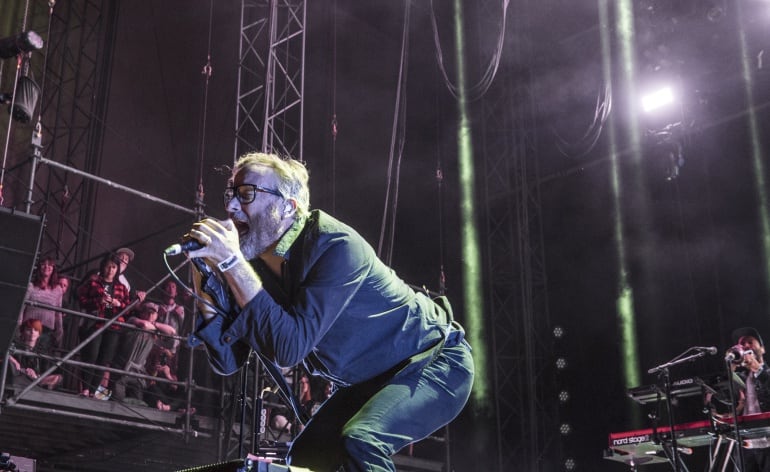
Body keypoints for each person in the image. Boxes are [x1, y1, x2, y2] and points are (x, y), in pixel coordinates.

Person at [185, 152, 474, 471]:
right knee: (306, 459)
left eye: (247, 194)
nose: (231, 207)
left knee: (362, 440)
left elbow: (289, 348)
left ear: (287, 207)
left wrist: (231, 265)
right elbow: (228, 360)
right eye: (231, 194)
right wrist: (204, 285)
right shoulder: (250, 268)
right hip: (370, 379)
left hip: (435, 361)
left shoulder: (336, 245)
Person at [76, 253, 130, 398]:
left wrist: (118, 303)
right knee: (91, 356)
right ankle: (85, 389)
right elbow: (81, 299)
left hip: (114, 326)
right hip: (95, 323)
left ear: (117, 269)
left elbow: (128, 307)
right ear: (103, 267)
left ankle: (93, 391)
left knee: (103, 360)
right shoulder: (93, 283)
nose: (111, 270)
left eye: (113, 267)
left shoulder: (122, 287)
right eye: (108, 267)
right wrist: (98, 301)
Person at [112, 302, 175, 409]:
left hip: (138, 372)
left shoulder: (154, 331)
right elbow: (144, 325)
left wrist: (155, 324)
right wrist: (154, 325)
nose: (150, 315)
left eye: (153, 313)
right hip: (123, 367)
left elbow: (172, 332)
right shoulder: (133, 321)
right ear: (142, 313)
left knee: (137, 404)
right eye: (148, 312)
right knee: (117, 400)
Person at [727, 327, 770, 471]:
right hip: (745, 446)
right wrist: (730, 370)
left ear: (762, 349)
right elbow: (725, 402)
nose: (745, 346)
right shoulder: (741, 380)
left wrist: (758, 369)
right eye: (742, 344)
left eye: (750, 342)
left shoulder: (767, 374)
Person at [19, 257, 64, 352]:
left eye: (50, 264)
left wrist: (60, 329)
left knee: (41, 357)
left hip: (47, 330)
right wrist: (19, 324)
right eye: (43, 264)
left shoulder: (58, 289)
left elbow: (58, 312)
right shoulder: (31, 286)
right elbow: (22, 307)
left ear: (53, 268)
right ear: (39, 267)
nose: (46, 266)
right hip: (30, 327)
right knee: (26, 354)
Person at [5, 319, 63, 390]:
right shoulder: (15, 346)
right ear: (22, 332)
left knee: (58, 377)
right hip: (19, 376)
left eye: (36, 330)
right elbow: (5, 354)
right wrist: (13, 360)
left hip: (35, 379)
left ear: (39, 334)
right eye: (29, 330)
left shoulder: (43, 351)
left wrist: (36, 375)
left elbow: (45, 370)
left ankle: (39, 385)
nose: (32, 332)